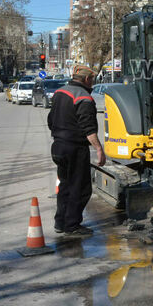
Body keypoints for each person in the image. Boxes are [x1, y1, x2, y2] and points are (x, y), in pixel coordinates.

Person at [47, 65, 106, 237]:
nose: (92, 83)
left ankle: (61, 222)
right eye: (92, 80)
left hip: (58, 146)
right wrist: (99, 149)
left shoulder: (60, 92)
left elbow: (50, 120)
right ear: (87, 79)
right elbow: (89, 128)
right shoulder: (83, 97)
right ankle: (72, 225)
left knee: (65, 185)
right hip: (74, 148)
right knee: (80, 188)